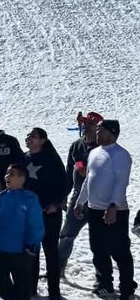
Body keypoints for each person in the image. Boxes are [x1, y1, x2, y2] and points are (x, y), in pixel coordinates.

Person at [74, 120, 136, 300]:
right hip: (94, 209)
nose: (97, 132)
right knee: (98, 250)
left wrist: (113, 206)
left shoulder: (120, 154)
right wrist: (80, 202)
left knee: (120, 251)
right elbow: (88, 180)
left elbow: (121, 182)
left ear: (112, 132)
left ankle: (127, 289)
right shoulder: (94, 152)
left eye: (101, 129)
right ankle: (105, 284)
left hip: (115, 210)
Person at [0, 164, 45, 300]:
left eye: (12, 174)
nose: (7, 176)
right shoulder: (1, 197)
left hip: (22, 251)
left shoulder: (30, 198)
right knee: (2, 282)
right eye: (7, 173)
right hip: (1, 249)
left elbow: (35, 224)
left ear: (22, 178)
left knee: (22, 285)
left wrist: (32, 244)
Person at [23, 128, 66, 300]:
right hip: (29, 214)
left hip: (49, 214)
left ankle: (54, 291)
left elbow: (62, 184)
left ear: (42, 140)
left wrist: (55, 204)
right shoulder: (24, 158)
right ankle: (31, 288)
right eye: (28, 136)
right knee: (31, 252)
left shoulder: (52, 159)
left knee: (51, 253)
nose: (28, 139)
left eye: (33, 137)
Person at [59, 111, 102, 274]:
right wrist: (64, 195)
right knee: (66, 235)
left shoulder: (104, 147)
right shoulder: (77, 146)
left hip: (100, 200)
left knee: (100, 240)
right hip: (78, 199)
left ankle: (102, 276)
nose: (86, 127)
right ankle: (59, 267)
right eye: (84, 123)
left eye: (90, 124)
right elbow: (69, 172)